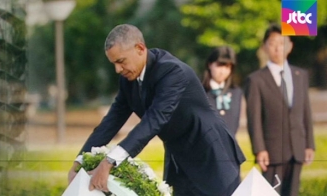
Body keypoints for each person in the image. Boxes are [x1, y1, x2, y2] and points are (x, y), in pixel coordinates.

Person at [68, 24, 245, 196]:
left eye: (121, 61)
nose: (117, 69)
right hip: (179, 163)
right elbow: (110, 122)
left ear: (139, 48)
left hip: (213, 157)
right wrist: (79, 162)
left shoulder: (172, 71)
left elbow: (155, 119)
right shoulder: (127, 79)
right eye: (113, 63)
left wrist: (110, 162)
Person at [244, 24, 315, 196]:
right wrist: (259, 149)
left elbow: (305, 111)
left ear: (290, 46)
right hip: (272, 152)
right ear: (265, 47)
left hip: (297, 149)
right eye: (273, 43)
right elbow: (254, 118)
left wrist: (309, 144)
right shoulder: (256, 80)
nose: (278, 48)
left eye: (282, 43)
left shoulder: (301, 75)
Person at [202, 46, 242, 137]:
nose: (223, 71)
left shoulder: (236, 92)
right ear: (210, 64)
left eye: (227, 67)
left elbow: (234, 123)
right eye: (219, 65)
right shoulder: (200, 91)